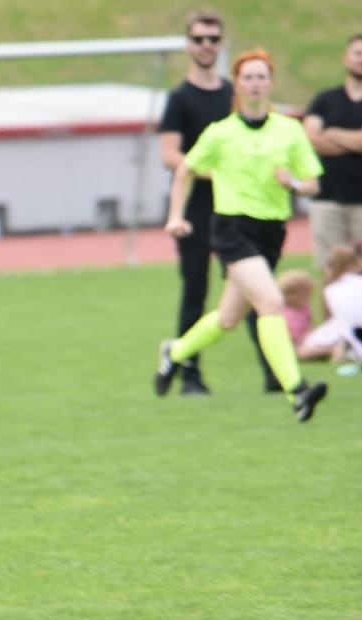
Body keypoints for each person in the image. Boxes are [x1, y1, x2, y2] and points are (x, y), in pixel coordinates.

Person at [154, 49, 330, 422]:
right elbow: (184, 170)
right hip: (232, 227)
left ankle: (175, 352)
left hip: (271, 231)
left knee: (229, 317)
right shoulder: (221, 133)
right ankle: (296, 392)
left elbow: (312, 183)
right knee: (270, 301)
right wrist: (175, 216)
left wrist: (294, 183)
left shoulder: (289, 130)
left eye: (262, 76)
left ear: (270, 82)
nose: (256, 83)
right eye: (248, 77)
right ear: (238, 84)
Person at [155, 9, 232, 395]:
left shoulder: (235, 94)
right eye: (199, 39)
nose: (206, 46)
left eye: (213, 39)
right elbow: (169, 154)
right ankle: (190, 374)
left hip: (237, 205)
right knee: (195, 289)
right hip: (195, 207)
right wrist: (212, 172)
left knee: (248, 286)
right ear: (188, 44)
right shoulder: (179, 99)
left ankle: (274, 374)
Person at [303, 34, 362, 275]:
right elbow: (311, 140)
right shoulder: (325, 100)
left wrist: (332, 133)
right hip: (327, 200)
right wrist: (359, 137)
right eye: (358, 53)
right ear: (346, 58)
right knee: (331, 272)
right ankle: (332, 315)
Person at [298, 244, 362, 365]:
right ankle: (343, 349)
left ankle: (333, 349)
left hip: (342, 330)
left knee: (303, 350)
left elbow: (329, 317)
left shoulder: (330, 289)